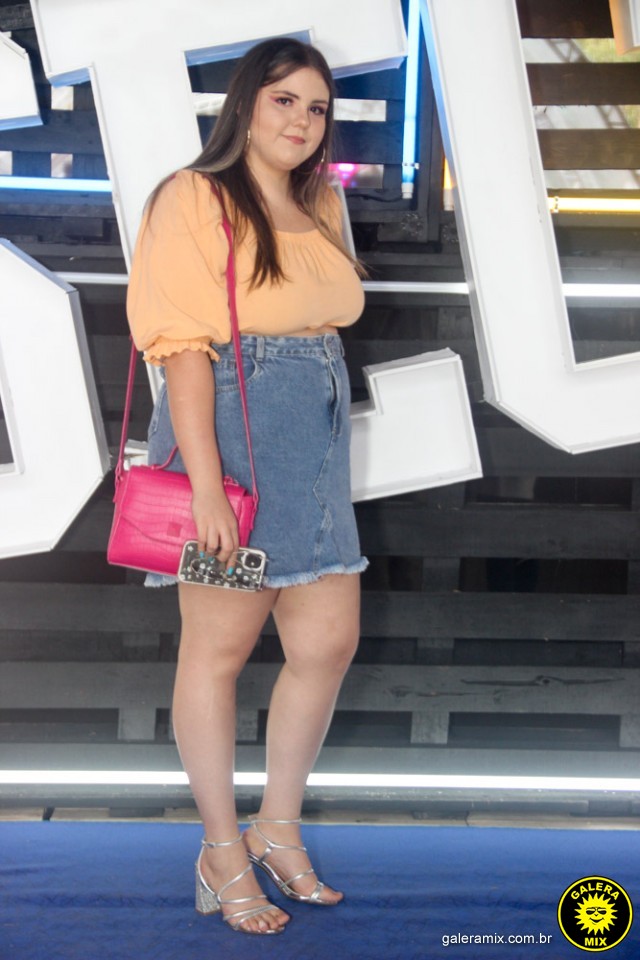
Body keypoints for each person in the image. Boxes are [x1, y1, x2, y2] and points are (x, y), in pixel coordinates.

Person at [127, 37, 367, 936]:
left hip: (316, 433)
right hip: (233, 429)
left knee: (328, 639)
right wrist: (206, 486)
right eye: (284, 100)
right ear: (245, 105)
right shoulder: (194, 197)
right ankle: (222, 849)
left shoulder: (322, 201)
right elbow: (184, 354)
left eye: (317, 107)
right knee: (219, 648)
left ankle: (278, 826)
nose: (302, 120)